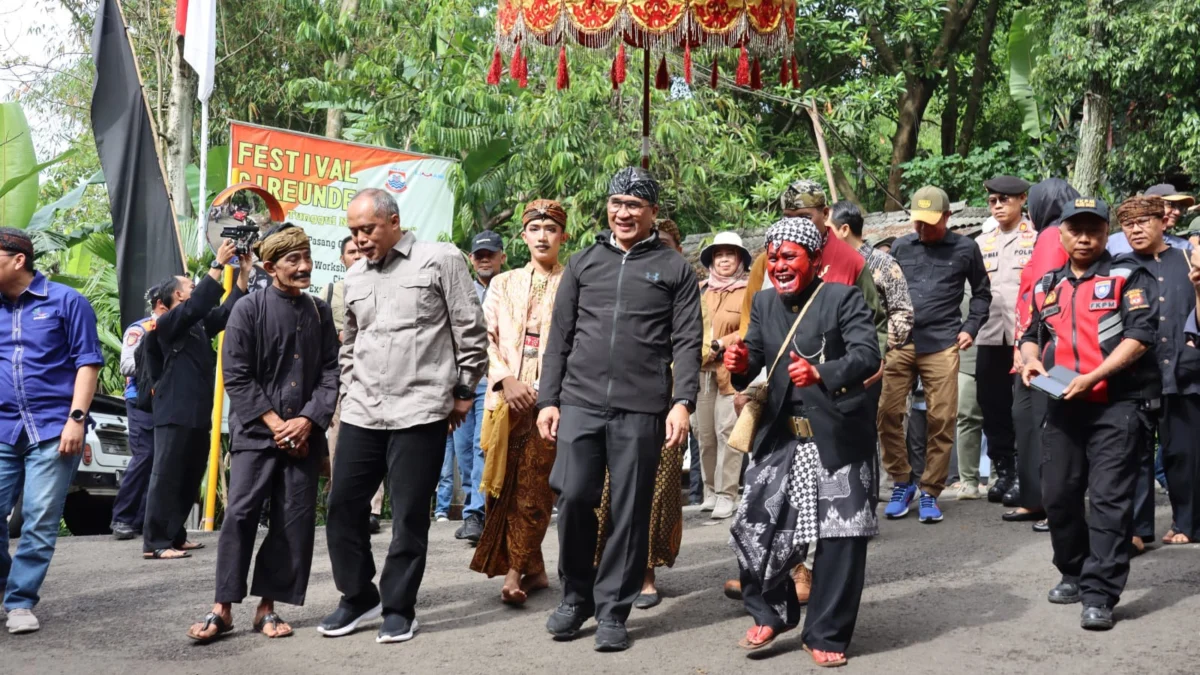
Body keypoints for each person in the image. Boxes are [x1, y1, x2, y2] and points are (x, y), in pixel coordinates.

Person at [537, 167, 701, 652]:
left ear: (652, 212)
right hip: (581, 403)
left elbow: (688, 341)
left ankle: (613, 610)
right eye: (617, 203)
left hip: (642, 408)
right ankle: (576, 597)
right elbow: (559, 339)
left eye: (634, 204)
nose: (623, 212)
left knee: (630, 512)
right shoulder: (585, 263)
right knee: (572, 498)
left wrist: (682, 402)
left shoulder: (674, 269)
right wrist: (549, 400)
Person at [319, 188, 487, 644]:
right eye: (354, 231)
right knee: (342, 508)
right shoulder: (354, 275)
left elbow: (470, 328)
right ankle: (357, 595)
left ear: (393, 222)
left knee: (409, 515)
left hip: (421, 410)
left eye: (367, 229)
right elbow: (350, 345)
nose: (361, 239)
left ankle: (399, 607)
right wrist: (351, 391)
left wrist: (464, 392)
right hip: (363, 412)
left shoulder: (439, 260)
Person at [723, 217, 880, 667]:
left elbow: (867, 354)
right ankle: (770, 613)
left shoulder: (842, 297)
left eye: (789, 256)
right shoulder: (766, 302)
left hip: (838, 437)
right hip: (781, 437)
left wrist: (821, 374)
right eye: (773, 258)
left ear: (815, 261)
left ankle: (826, 632)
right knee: (755, 523)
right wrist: (740, 360)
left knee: (841, 537)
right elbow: (753, 357)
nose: (779, 265)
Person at [186, 224, 340, 643]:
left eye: (307, 257)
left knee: (293, 520)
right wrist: (276, 424)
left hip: (304, 436)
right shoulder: (247, 309)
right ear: (270, 266)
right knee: (239, 516)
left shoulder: (319, 311)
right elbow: (236, 375)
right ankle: (223, 608)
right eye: (294, 260)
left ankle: (267, 608)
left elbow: (330, 373)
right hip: (257, 434)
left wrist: (307, 421)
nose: (305, 266)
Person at [1020, 197, 1160, 631]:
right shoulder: (1047, 284)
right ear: (1060, 233)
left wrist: (1094, 375)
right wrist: (1030, 361)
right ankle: (1074, 571)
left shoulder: (1127, 275)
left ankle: (1099, 593)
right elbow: (1031, 333)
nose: (1084, 238)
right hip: (1063, 404)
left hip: (1118, 405)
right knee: (1058, 496)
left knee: (1108, 503)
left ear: (1105, 233)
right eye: (1076, 230)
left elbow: (1139, 336)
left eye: (1094, 230)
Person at [0, 227, 103, 634]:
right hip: (4, 428)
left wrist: (76, 419)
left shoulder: (66, 301)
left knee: (39, 518)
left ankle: (21, 602)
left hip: (54, 429)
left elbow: (88, 362)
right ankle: (8, 586)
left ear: (17, 259)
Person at [591, 218, 696, 611]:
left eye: (668, 245)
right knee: (605, 489)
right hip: (618, 398)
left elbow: (691, 344)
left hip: (667, 400)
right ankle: (603, 568)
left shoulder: (682, 286)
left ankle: (646, 573)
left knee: (657, 487)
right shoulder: (625, 281)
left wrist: (681, 401)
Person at [470, 200, 567, 604]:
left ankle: (513, 573)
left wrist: (545, 390)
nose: (542, 235)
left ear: (563, 236)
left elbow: (576, 343)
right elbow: (482, 338)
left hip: (551, 403)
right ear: (523, 236)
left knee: (534, 488)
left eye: (551, 228)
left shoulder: (575, 280)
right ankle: (536, 568)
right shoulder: (502, 283)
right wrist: (505, 380)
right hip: (503, 401)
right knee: (500, 488)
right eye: (535, 228)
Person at [879, 186, 991, 523]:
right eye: (917, 222)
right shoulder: (900, 245)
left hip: (942, 343)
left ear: (947, 217)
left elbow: (983, 294)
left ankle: (930, 491)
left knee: (942, 418)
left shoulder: (966, 249)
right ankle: (902, 482)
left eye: (929, 222)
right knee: (887, 413)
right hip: (901, 343)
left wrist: (970, 327)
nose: (922, 229)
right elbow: (883, 292)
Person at [142, 240, 250, 560]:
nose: (195, 286)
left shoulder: (198, 325)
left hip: (197, 412)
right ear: (178, 295)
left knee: (189, 473)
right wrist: (217, 264)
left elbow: (227, 312)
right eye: (190, 285)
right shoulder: (167, 323)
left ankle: (175, 535)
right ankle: (155, 542)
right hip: (173, 411)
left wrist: (243, 274)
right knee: (166, 475)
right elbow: (199, 304)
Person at [1113, 196, 1198, 549]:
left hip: (1185, 371)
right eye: (1128, 224)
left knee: (1184, 452)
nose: (1136, 229)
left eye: (1144, 221)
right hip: (1136, 376)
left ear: (1163, 221)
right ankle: (1138, 529)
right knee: (1135, 454)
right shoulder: (1118, 267)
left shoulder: (1185, 261)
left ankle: (1188, 522)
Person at [1010, 178, 1080, 532]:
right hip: (1033, 344)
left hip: (1047, 348)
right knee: (1028, 422)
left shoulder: (1053, 236)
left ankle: (1054, 506)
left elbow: (1046, 298)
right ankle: (1036, 500)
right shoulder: (1049, 235)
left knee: (1046, 426)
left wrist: (1030, 347)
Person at [437, 230, 503, 543]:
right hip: (463, 380)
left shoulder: (508, 289)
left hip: (494, 379)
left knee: (481, 445)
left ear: (503, 257)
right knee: (463, 449)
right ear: (471, 260)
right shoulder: (460, 290)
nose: (485, 259)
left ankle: (475, 513)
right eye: (479, 255)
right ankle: (477, 509)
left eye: (491, 253)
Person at [974, 177, 1036, 506]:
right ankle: (1004, 471)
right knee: (991, 405)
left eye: (1005, 199)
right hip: (989, 334)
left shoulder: (1037, 238)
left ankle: (1027, 475)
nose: (998, 205)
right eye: (993, 200)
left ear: (1022, 199)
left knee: (1023, 409)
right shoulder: (982, 241)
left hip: (1024, 337)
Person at [692, 229, 751, 520]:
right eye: (719, 255)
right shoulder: (701, 289)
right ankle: (711, 491)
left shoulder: (748, 288)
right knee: (704, 434)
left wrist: (721, 344)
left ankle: (729, 494)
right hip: (701, 370)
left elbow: (750, 328)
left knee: (728, 432)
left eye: (730, 254)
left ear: (740, 258)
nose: (724, 260)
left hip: (732, 368)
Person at [326, 236, 382, 533]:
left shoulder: (383, 284)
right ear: (342, 258)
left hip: (376, 374)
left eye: (361, 251)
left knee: (376, 436)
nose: (357, 256)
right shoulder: (332, 291)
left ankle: (372, 509)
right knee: (339, 438)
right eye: (351, 252)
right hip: (342, 374)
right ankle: (342, 501)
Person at [109, 289, 165, 540]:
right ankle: (122, 517)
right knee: (145, 455)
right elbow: (126, 365)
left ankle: (143, 520)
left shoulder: (181, 327)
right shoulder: (140, 329)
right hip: (141, 400)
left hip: (167, 403)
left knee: (160, 460)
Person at [828, 200, 915, 352]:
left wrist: (876, 349)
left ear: (844, 230)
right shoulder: (828, 266)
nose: (824, 235)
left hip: (881, 357)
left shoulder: (884, 263)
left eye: (828, 229)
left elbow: (902, 314)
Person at [1106, 184, 1194, 254]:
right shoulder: (1113, 243)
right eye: (1171, 205)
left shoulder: (1184, 247)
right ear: (1146, 206)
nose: (1177, 212)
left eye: (1180, 207)